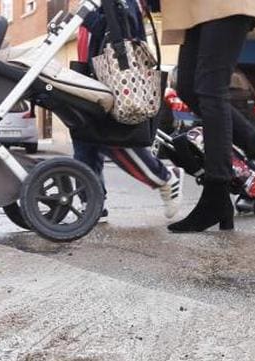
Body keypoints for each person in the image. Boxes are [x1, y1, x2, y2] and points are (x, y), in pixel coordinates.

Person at [161, 0, 255, 233]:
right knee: (188, 87)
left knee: (211, 89)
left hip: (223, 5)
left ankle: (216, 193)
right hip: (192, 9)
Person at [74, 0, 182, 220]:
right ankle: (93, 202)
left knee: (112, 140)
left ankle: (165, 177)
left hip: (115, 77)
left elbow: (123, 32)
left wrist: (89, 19)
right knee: (84, 138)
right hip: (95, 73)